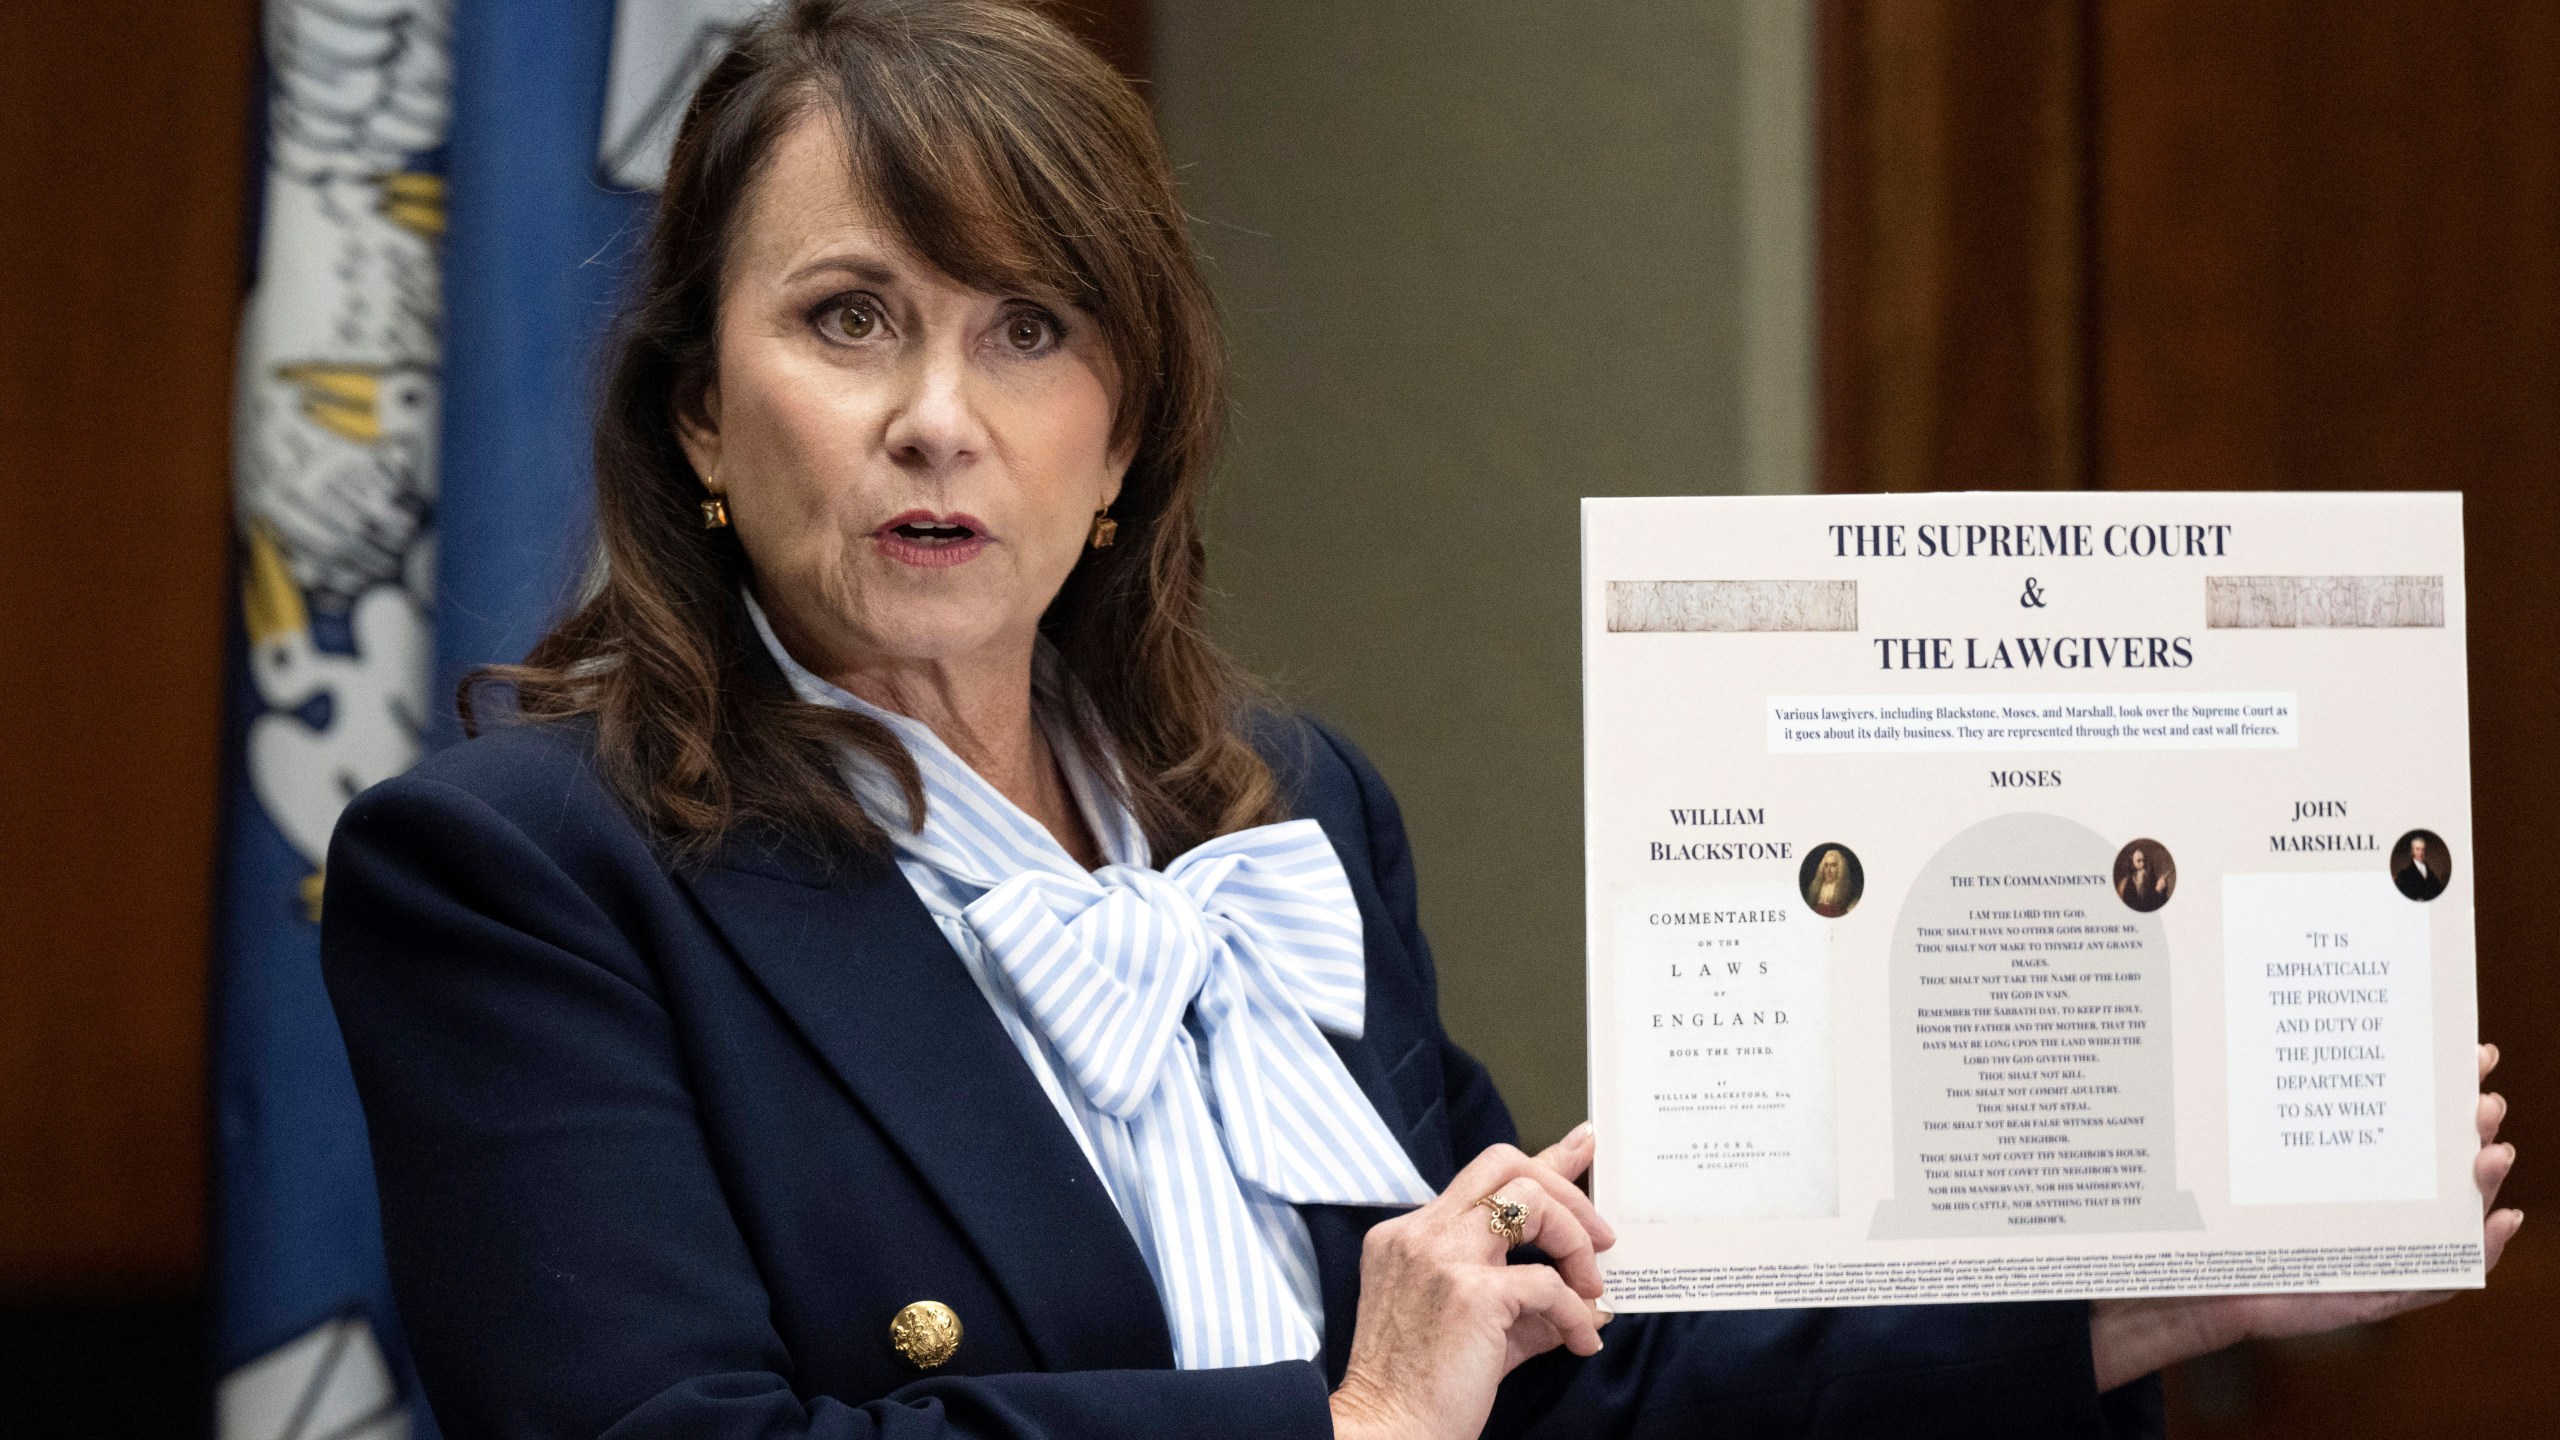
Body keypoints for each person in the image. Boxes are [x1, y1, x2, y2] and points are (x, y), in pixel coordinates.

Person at [318, 4, 2524, 1438]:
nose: (930, 418)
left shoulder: (1285, 819)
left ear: (1124, 431)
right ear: (701, 417)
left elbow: (1560, 1396)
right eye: (842, 320)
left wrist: (2162, 1286)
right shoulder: (524, 869)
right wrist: (1349, 1424)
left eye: (1026, 328)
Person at [2115, 840, 2174, 913]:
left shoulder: (2150, 878)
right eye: (2138, 861)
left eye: (2143, 860)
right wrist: (2157, 890)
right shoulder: (2128, 885)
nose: (2142, 864)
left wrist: (2162, 889)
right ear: (2132, 864)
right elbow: (2139, 908)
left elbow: (2161, 904)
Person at [1804, 845, 1858, 917]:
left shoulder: (1846, 891)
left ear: (1840, 869)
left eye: (1833, 865)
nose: (1828, 870)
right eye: (1826, 865)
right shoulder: (1818, 888)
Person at [2397, 832, 2451, 901]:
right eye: (2417, 849)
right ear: (2412, 851)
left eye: (2422, 849)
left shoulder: (2430, 872)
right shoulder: (2404, 874)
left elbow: (2439, 890)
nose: (2420, 853)